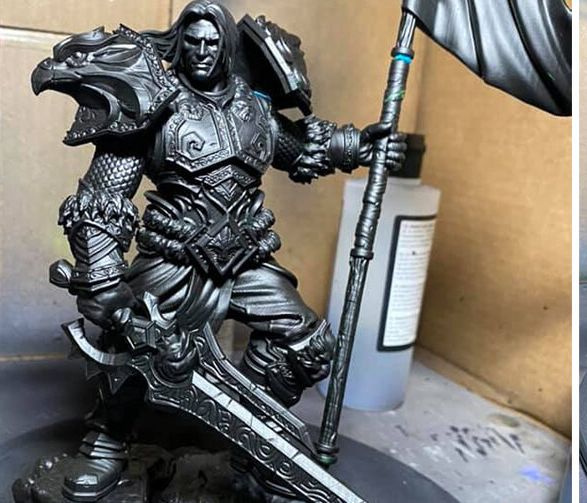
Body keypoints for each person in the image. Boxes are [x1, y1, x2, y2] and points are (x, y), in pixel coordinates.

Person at [31, 1, 406, 499]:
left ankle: (252, 437)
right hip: (173, 259)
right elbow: (102, 198)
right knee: (130, 343)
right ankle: (107, 444)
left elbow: (302, 148)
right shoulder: (153, 105)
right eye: (193, 41)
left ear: (226, 46)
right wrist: (103, 277)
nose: (202, 51)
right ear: (180, 43)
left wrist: (361, 146)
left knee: (311, 346)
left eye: (212, 42)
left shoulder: (255, 109)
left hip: (247, 261)